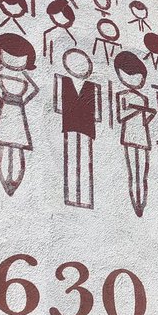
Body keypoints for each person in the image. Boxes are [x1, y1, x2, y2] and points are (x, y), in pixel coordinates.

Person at [0, 33, 38, 196]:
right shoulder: (1, 73)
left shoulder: (24, 77)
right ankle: (5, 179)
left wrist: (22, 103)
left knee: (18, 147)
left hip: (17, 113)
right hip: (6, 111)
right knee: (4, 146)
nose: (15, 62)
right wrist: (0, 98)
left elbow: (35, 89)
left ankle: (15, 179)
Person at [54, 48, 99, 209]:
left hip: (86, 127)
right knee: (71, 159)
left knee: (86, 161)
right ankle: (72, 196)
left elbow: (97, 114)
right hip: (70, 125)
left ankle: (85, 198)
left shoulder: (91, 86)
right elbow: (58, 107)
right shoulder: (64, 81)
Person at [114, 50, 155, 217]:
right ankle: (134, 201)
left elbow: (145, 120)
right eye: (128, 75)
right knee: (132, 171)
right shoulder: (122, 95)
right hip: (129, 135)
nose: (133, 80)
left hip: (143, 136)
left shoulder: (144, 98)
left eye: (137, 77)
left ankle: (142, 203)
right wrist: (136, 110)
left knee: (144, 172)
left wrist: (148, 114)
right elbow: (121, 117)